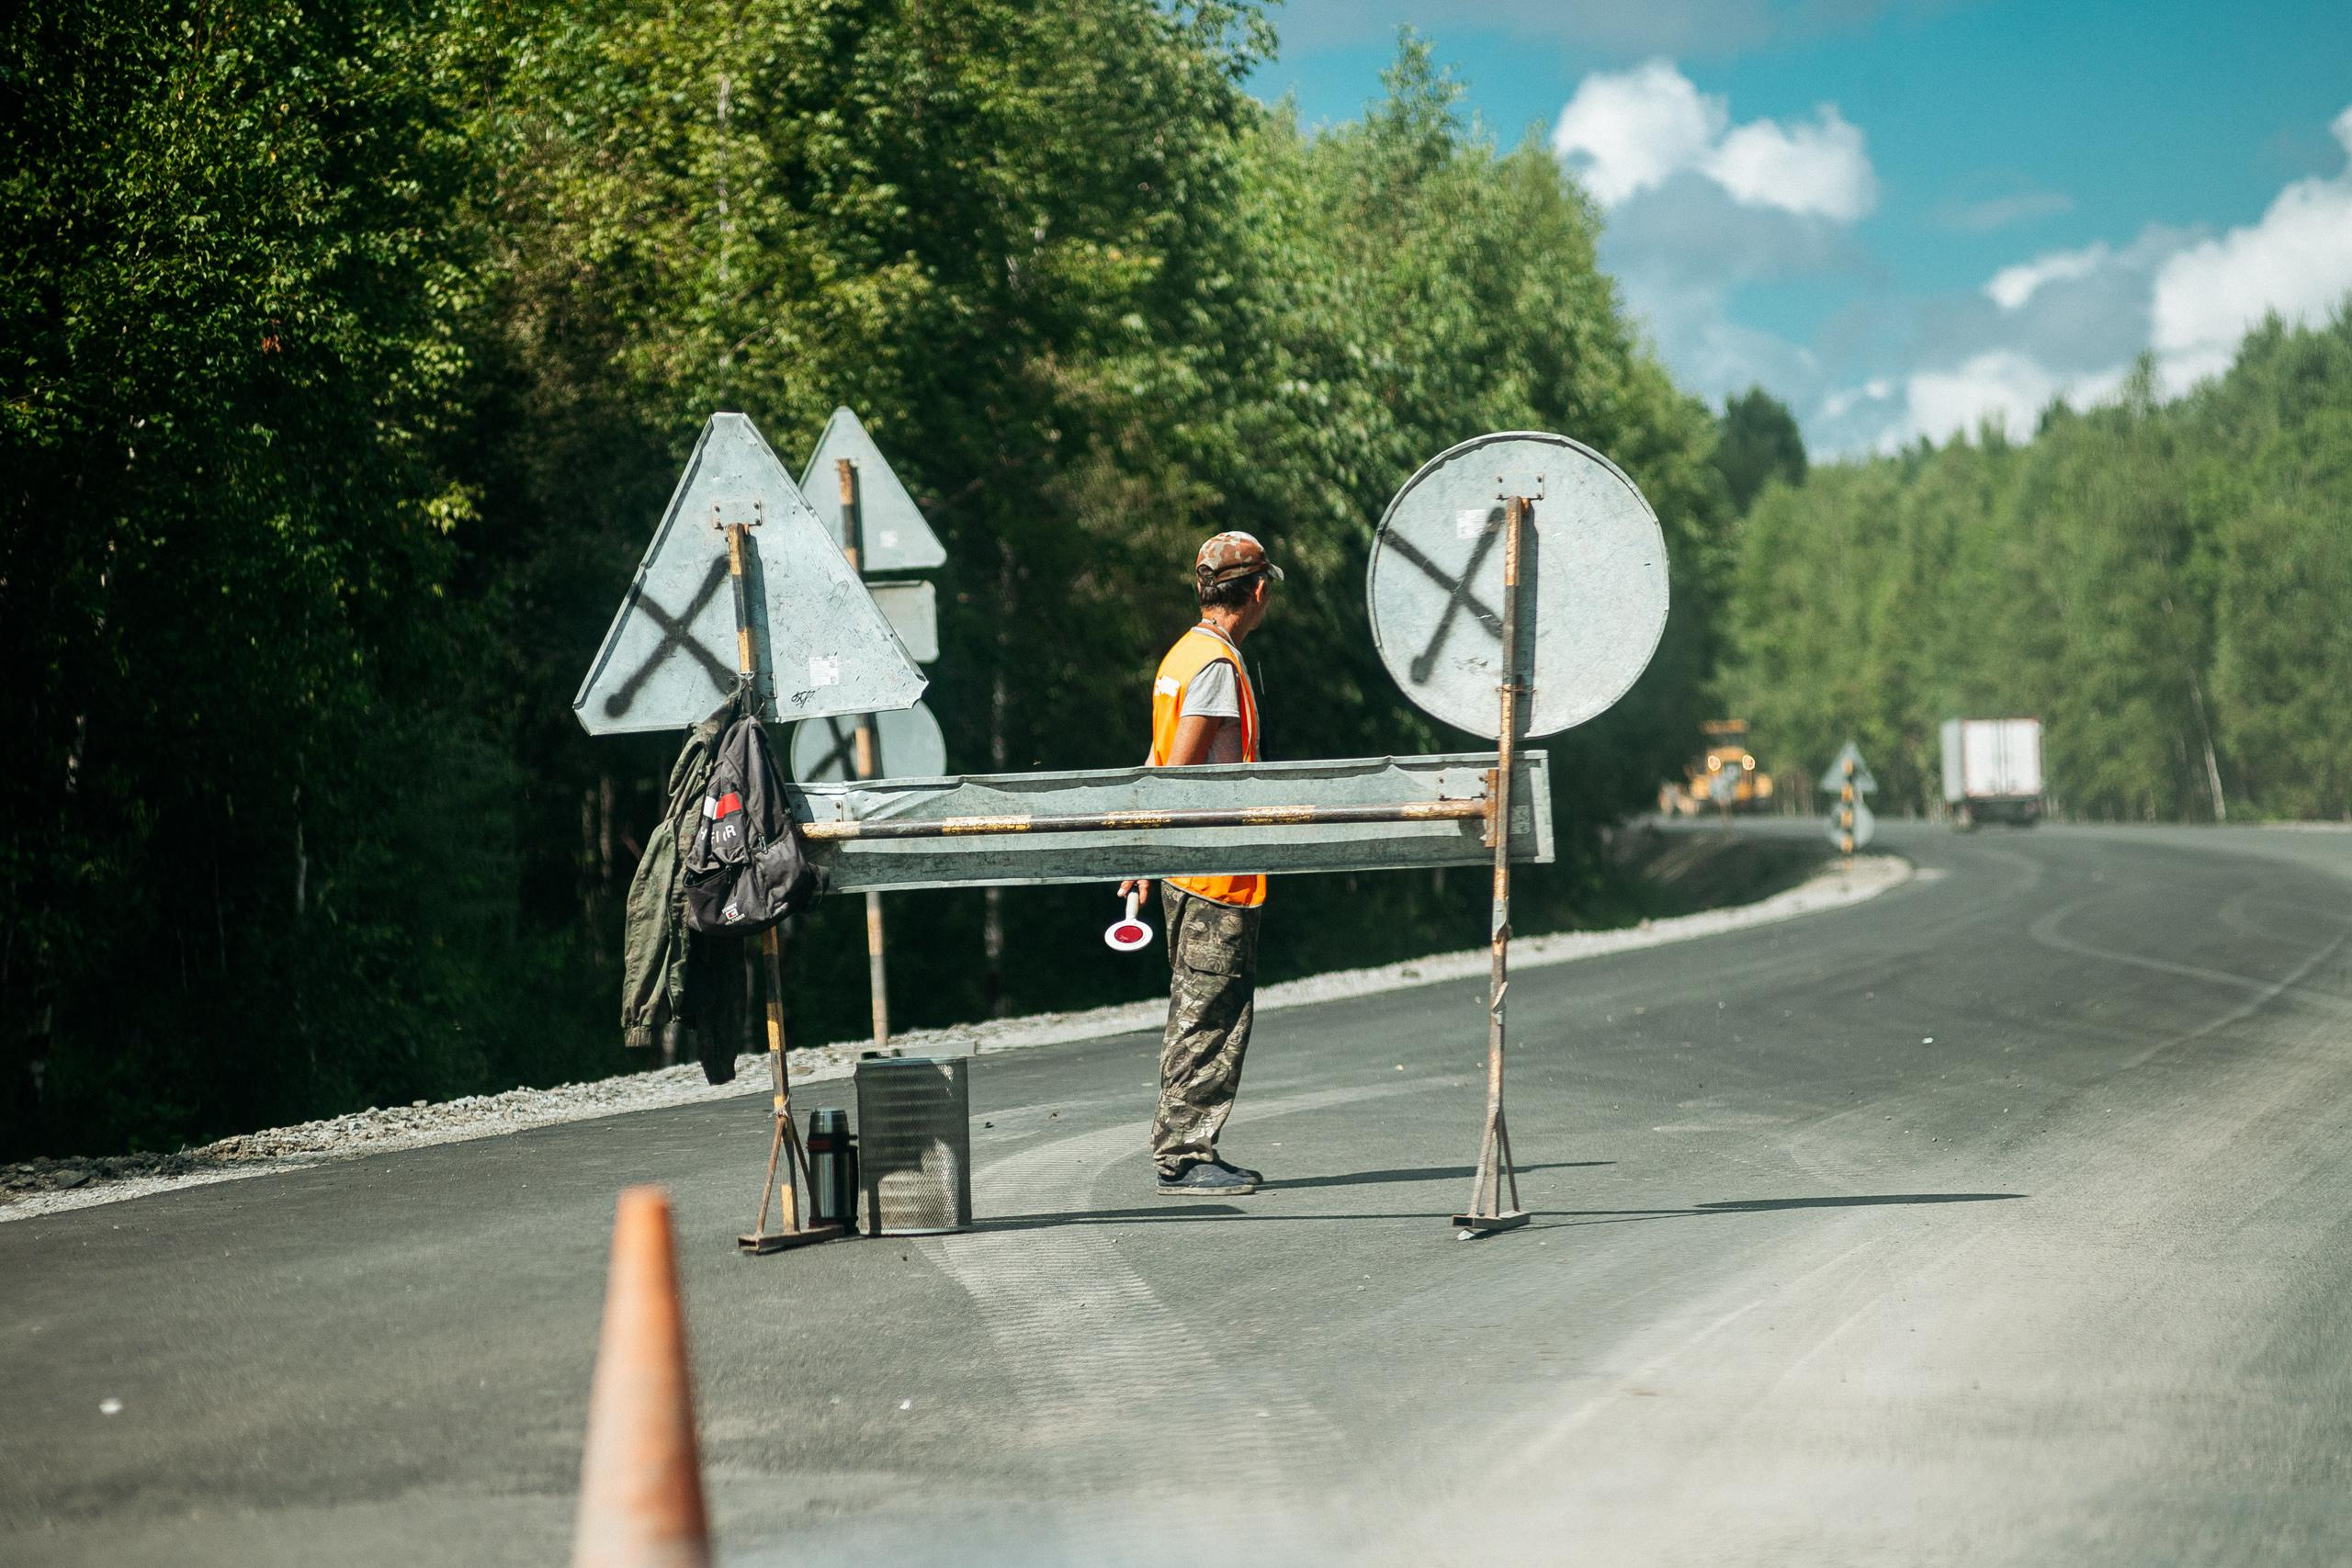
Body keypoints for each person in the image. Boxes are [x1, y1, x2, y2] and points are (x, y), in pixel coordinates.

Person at [1120, 531, 1283, 1196]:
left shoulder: (1184, 653)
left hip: (1186, 865)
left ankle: (1185, 1146)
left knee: (1198, 1004)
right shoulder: (1216, 665)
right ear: (1259, 591)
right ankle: (1185, 1154)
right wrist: (1147, 843)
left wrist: (1138, 847)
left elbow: (1155, 761)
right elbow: (1179, 771)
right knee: (1209, 1012)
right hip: (1212, 867)